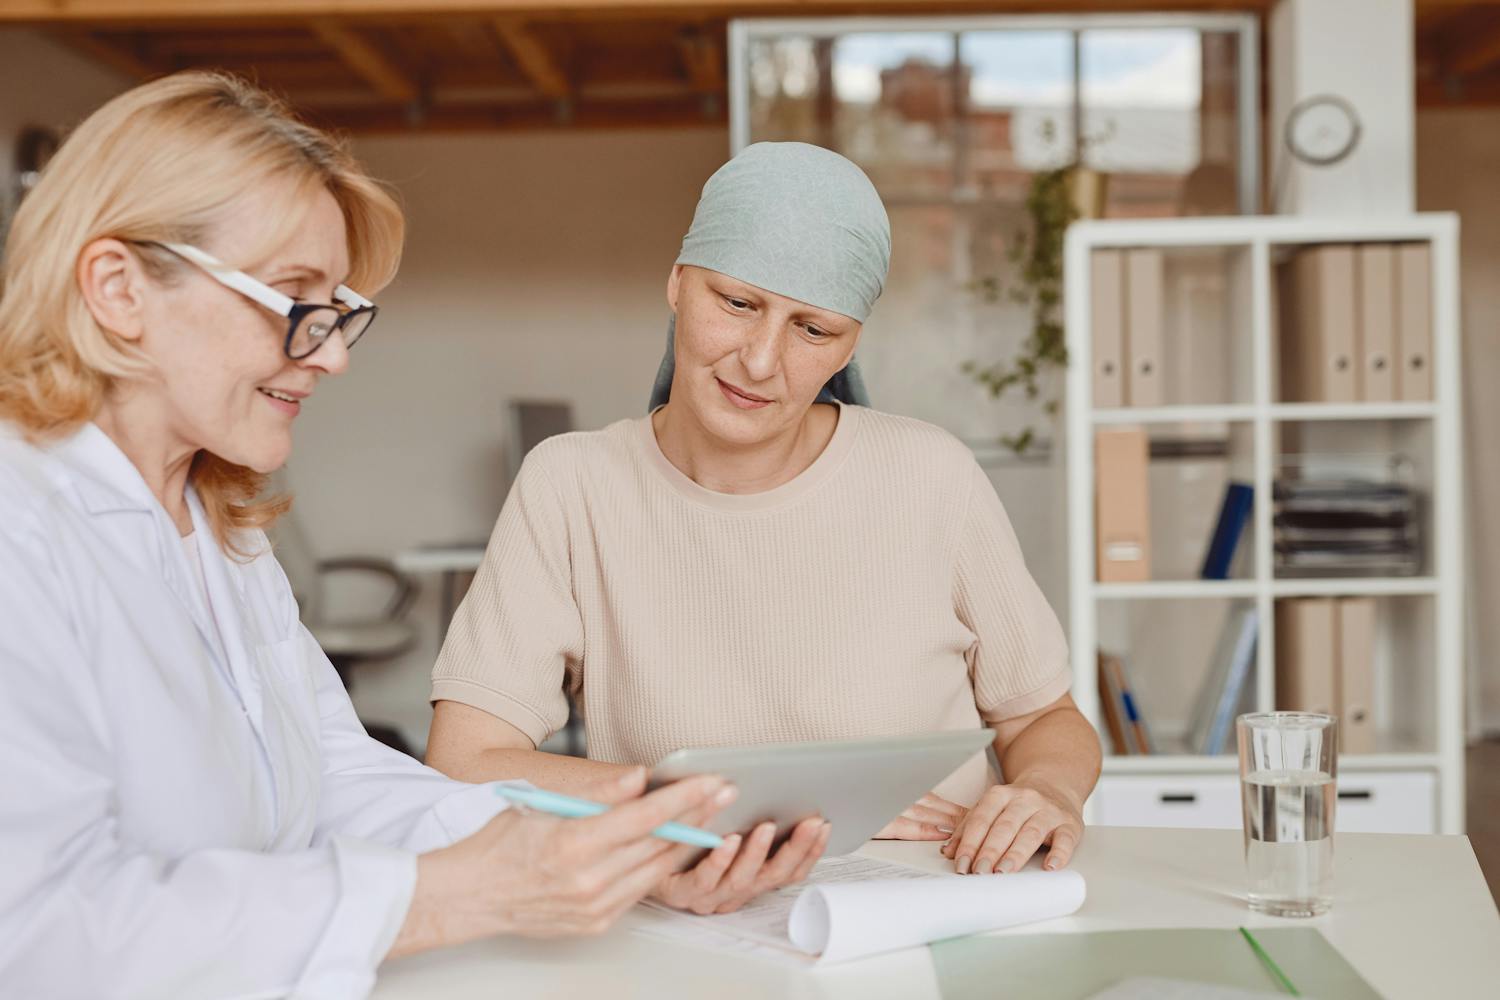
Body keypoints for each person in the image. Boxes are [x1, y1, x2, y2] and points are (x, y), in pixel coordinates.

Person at [0, 72, 735, 999]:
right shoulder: (18, 532)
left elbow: (333, 775)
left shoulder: (215, 526)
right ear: (118, 288)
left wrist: (600, 847)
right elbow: (36, 934)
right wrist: (454, 894)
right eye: (292, 300)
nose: (334, 353)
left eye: (340, 311)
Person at [425, 142, 1102, 915]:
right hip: (688, 914)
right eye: (738, 303)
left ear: (849, 345)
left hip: (932, 905)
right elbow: (465, 760)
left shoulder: (932, 475)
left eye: (813, 330)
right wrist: (724, 807)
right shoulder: (571, 484)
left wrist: (1047, 790)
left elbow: (1042, 716)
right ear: (678, 284)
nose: (760, 361)